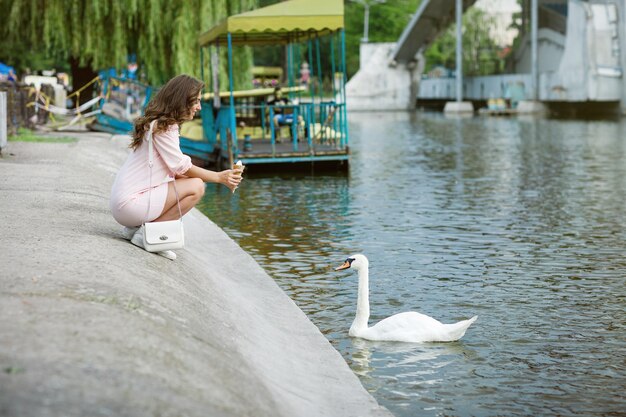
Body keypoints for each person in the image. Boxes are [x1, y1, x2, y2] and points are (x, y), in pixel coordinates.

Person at [110, 74, 242, 260]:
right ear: (182, 100)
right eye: (195, 101)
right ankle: (150, 236)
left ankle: (137, 230)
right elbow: (181, 167)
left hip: (124, 204)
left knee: (192, 182)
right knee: (196, 187)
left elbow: (176, 170)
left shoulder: (156, 124)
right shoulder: (165, 128)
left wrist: (221, 177)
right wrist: (220, 177)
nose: (198, 107)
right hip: (130, 205)